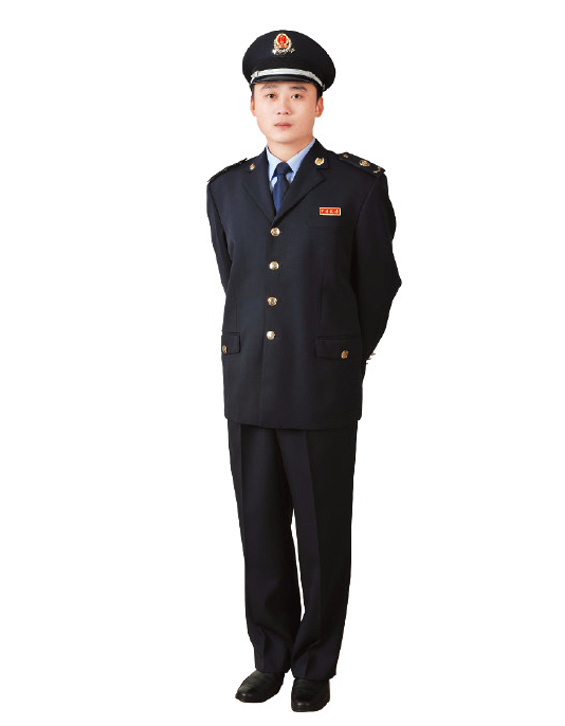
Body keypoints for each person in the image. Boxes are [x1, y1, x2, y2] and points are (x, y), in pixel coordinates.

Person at [206, 29, 402, 712]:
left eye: (297, 94)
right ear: (252, 106)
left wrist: (340, 354)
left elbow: (377, 284)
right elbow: (234, 276)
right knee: (259, 531)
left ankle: (315, 663)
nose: (283, 106)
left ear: (319, 105)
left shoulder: (356, 185)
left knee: (321, 534)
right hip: (249, 385)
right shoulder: (226, 188)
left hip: (321, 389)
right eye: (270, 95)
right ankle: (270, 655)